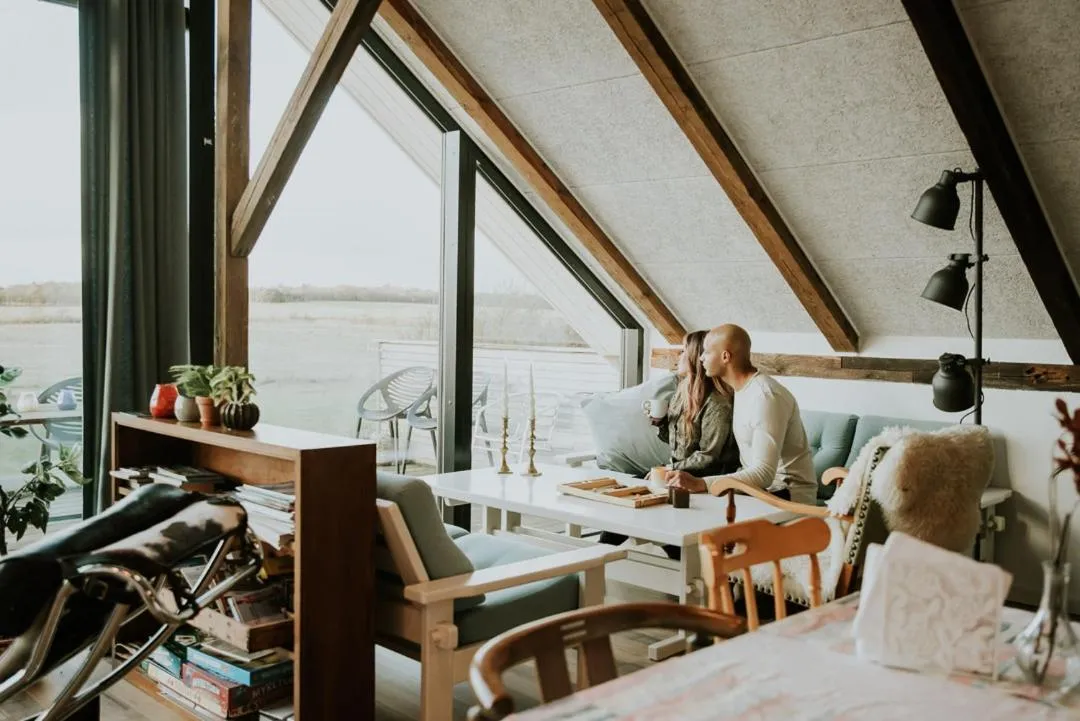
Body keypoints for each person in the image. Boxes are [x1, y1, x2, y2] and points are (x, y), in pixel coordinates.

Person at [599, 330, 739, 558]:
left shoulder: (718, 404)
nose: (679, 356)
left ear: (695, 356)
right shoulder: (682, 391)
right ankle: (598, 557)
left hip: (704, 482)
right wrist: (661, 424)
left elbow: (709, 456)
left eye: (683, 351)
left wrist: (668, 470)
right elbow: (677, 444)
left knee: (641, 506)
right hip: (679, 477)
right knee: (626, 505)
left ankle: (596, 558)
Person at [666, 324, 817, 505]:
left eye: (707, 352)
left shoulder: (765, 396)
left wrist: (701, 483)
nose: (701, 357)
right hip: (757, 492)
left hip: (787, 496)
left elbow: (764, 474)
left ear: (725, 357)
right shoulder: (741, 390)